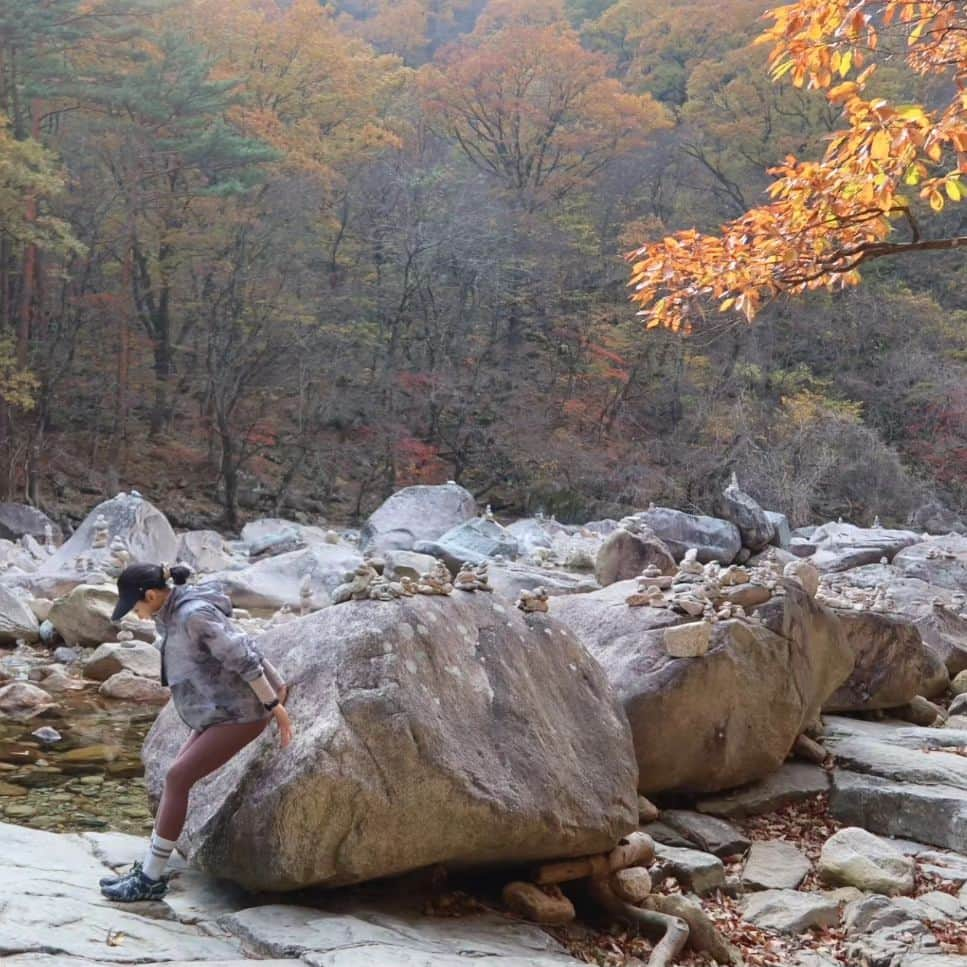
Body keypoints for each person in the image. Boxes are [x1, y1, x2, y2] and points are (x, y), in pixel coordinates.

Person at [98, 562, 292, 902]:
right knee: (176, 777)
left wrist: (273, 703)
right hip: (216, 713)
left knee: (177, 778)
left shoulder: (193, 614)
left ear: (152, 595)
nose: (136, 614)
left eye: (136, 607)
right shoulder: (172, 614)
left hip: (241, 713)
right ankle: (148, 870)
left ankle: (149, 879)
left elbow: (243, 654)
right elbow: (241, 641)